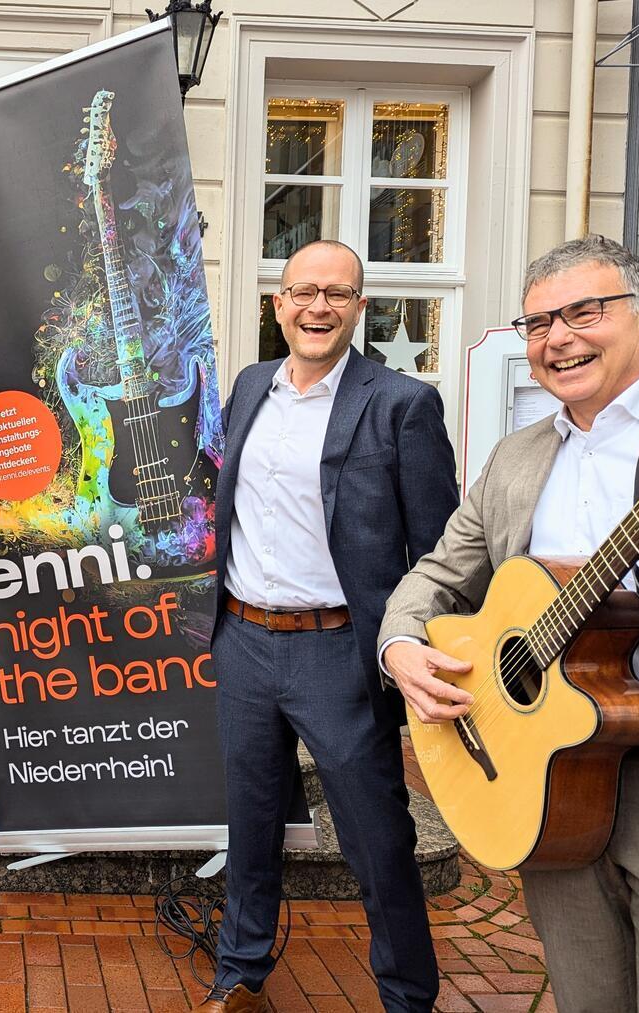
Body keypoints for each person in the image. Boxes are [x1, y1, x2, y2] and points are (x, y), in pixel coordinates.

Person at [381, 235, 639, 1012]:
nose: (559, 338)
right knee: (587, 993)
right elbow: (437, 575)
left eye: (585, 311)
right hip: (548, 774)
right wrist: (401, 644)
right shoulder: (515, 457)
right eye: (540, 322)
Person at [196, 240, 457, 1012]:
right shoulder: (250, 386)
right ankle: (239, 975)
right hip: (243, 641)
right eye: (304, 292)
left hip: (342, 651)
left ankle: (407, 997)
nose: (319, 307)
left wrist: (417, 646)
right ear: (277, 304)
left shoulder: (402, 403)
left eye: (337, 294)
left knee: (378, 840)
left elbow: (440, 551)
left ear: (359, 307)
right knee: (250, 827)